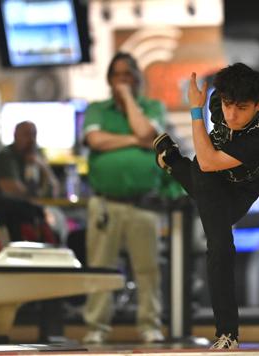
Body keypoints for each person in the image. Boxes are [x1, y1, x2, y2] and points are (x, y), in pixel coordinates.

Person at [154, 63, 259, 349]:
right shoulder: (217, 101)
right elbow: (207, 164)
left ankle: (173, 160)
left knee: (224, 217)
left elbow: (212, 159)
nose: (232, 115)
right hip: (209, 176)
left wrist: (194, 111)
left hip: (244, 186)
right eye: (228, 105)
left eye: (242, 107)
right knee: (220, 245)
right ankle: (228, 334)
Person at [82, 52, 166, 344]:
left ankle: (149, 325)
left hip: (143, 203)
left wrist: (129, 99)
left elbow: (148, 132)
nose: (123, 80)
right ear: (109, 80)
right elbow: (95, 140)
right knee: (100, 267)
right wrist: (134, 140)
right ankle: (96, 327)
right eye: (118, 75)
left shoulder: (152, 106)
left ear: (137, 79)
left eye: (128, 75)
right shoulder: (97, 109)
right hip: (105, 202)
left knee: (148, 270)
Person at [0, 121, 67, 243]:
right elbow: (13, 191)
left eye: (33, 135)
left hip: (12, 217)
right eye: (26, 135)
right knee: (47, 219)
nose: (31, 139)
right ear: (15, 136)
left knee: (57, 218)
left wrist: (43, 167)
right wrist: (39, 204)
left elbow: (53, 192)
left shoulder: (35, 156)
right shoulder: (5, 156)